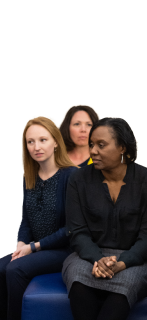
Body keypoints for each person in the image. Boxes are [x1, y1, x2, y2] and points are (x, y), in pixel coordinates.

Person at [62, 116, 147, 320]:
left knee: (123, 289)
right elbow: (77, 232)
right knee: (78, 285)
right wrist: (98, 259)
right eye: (91, 145)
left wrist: (121, 262)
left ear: (122, 148)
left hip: (137, 260)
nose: (93, 151)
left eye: (101, 145)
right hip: (88, 256)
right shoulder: (78, 180)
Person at [0, 115, 77, 320]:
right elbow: (26, 219)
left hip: (65, 250)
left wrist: (33, 247)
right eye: (30, 141)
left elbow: (71, 229)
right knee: (1, 267)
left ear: (55, 142)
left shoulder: (71, 176)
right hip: (34, 247)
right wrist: (20, 243)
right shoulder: (30, 175)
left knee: (15, 269)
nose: (36, 147)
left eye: (43, 140)